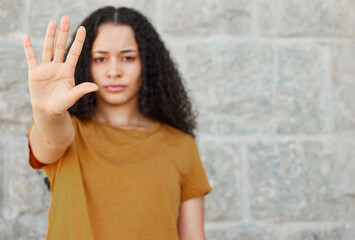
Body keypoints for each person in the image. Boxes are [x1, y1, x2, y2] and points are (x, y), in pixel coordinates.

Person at [23, 6, 212, 240]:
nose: (114, 71)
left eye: (128, 57)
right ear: (86, 65)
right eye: (100, 59)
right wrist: (46, 113)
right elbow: (53, 137)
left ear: (148, 64)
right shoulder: (69, 132)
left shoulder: (181, 146)